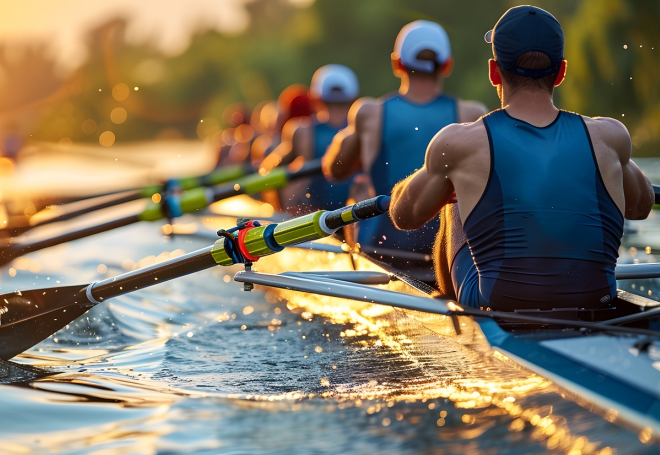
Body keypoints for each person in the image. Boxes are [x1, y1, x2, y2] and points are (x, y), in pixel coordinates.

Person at [388, 5, 653, 311]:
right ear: (561, 73)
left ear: (493, 72)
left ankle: (449, 308)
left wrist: (452, 183)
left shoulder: (459, 143)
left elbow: (403, 216)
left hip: (498, 303)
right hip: (597, 301)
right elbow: (641, 207)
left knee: (459, 191)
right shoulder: (610, 137)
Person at [323, 21, 487, 265]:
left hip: (381, 248)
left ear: (397, 63)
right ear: (447, 65)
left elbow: (335, 170)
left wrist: (349, 138)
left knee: (357, 189)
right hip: (446, 256)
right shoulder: (473, 114)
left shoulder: (368, 113)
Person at [261, 65, 359, 214]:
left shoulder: (301, 131)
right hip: (357, 216)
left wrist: (281, 213)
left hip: (315, 222)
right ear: (353, 98)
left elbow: (268, 172)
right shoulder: (364, 130)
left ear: (314, 97)